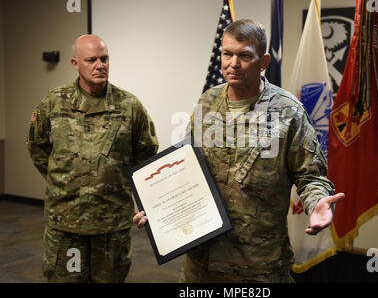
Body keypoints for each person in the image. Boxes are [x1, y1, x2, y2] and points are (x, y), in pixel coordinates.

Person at [134, 19, 344, 282]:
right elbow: (185, 165)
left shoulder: (288, 111)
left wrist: (316, 203)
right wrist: (157, 206)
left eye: (244, 56)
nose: (233, 63)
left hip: (259, 267)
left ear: (264, 61)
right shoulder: (208, 101)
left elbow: (310, 176)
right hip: (202, 264)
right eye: (227, 54)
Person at [27, 35, 159, 282]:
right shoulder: (53, 103)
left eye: (104, 59)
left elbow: (146, 153)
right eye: (91, 60)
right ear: (75, 63)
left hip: (111, 224)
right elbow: (37, 148)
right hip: (65, 223)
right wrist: (64, 181)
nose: (100, 65)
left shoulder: (129, 106)